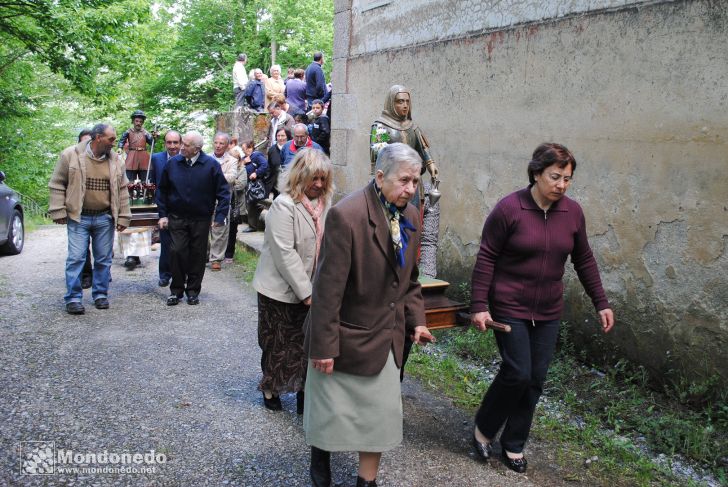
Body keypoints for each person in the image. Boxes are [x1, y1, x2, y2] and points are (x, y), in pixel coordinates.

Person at [469, 142, 615, 473]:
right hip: (509, 303)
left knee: (535, 379)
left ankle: (514, 444)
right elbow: (487, 256)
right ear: (536, 173)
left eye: (567, 178)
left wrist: (601, 302)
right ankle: (484, 428)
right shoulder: (509, 209)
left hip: (548, 310)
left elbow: (584, 259)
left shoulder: (573, 213)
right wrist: (480, 304)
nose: (561, 185)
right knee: (517, 372)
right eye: (555, 176)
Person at [303, 143, 434, 487]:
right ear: (379, 176)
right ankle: (321, 467)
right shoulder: (346, 216)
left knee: (380, 420)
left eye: (415, 181)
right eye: (404, 180)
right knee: (329, 415)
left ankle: (367, 482)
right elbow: (327, 290)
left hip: (386, 337)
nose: (410, 189)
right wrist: (323, 347)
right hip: (343, 337)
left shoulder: (410, 215)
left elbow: (409, 279)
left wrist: (417, 321)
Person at [252, 148, 334, 413]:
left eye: (323, 179)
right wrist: (306, 292)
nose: (319, 185)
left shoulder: (325, 205)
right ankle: (271, 388)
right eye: (314, 178)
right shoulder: (284, 205)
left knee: (306, 345)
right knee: (277, 343)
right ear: (300, 176)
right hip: (279, 290)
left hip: (312, 288)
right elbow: (284, 252)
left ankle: (302, 390)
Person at [49, 124, 131, 315]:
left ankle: (101, 294)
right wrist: (58, 210)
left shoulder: (116, 160)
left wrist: (124, 216)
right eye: (111, 139)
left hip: (104, 217)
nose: (114, 143)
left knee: (103, 259)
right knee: (76, 258)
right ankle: (73, 298)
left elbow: (122, 189)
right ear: (97, 138)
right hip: (79, 217)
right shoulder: (71, 155)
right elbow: (57, 183)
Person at [157, 131, 230, 306]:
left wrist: (220, 216)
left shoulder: (211, 165)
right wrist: (163, 214)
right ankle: (176, 291)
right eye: (182, 143)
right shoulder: (173, 164)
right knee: (177, 251)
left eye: (186, 145)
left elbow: (223, 193)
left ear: (197, 149)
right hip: (177, 217)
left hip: (201, 218)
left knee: (197, 255)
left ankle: (193, 291)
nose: (181, 147)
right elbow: (162, 190)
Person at [118, 110, 158, 270]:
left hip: (142, 156)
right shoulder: (128, 132)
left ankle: (144, 188)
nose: (138, 122)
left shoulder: (145, 133)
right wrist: (120, 149)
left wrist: (155, 137)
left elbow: (151, 141)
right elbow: (121, 141)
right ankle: (129, 190)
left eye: (140, 120)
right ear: (133, 120)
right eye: (136, 119)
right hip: (132, 155)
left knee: (145, 178)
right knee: (128, 176)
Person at [148, 130, 182, 287]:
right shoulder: (156, 159)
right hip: (164, 207)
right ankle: (164, 274)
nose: (172, 146)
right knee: (166, 243)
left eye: (175, 142)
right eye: (169, 142)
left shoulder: (185, 159)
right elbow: (153, 184)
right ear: (165, 143)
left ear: (180, 144)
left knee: (181, 245)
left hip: (182, 208)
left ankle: (180, 275)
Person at [208, 132, 238, 271]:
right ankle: (204, 254)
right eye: (216, 143)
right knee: (204, 228)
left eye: (222, 144)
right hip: (206, 198)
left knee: (220, 228)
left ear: (227, 146)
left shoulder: (232, 160)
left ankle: (216, 258)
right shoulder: (206, 158)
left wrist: (212, 176)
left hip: (223, 199)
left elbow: (232, 177)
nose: (218, 146)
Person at [77, 129, 95, 290]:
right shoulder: (72, 160)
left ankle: (103, 275)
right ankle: (86, 275)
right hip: (79, 214)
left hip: (102, 213)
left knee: (103, 252)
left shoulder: (106, 160)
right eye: (84, 141)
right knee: (80, 251)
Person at [225, 137, 246, 263]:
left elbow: (241, 185)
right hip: (225, 202)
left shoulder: (242, 170)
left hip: (236, 204)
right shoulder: (225, 168)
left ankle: (229, 253)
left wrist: (231, 182)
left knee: (233, 230)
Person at [240, 140, 269, 232]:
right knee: (251, 203)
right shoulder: (245, 157)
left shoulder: (256, 155)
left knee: (251, 204)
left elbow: (264, 165)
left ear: (250, 148)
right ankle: (253, 225)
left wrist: (256, 173)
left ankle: (252, 226)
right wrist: (244, 162)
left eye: (244, 149)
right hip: (249, 184)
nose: (243, 151)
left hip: (256, 183)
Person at [267, 127, 290, 200]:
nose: (280, 138)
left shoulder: (291, 149)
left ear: (287, 136)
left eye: (283, 135)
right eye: (278, 136)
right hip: (276, 183)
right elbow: (270, 166)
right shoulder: (272, 150)